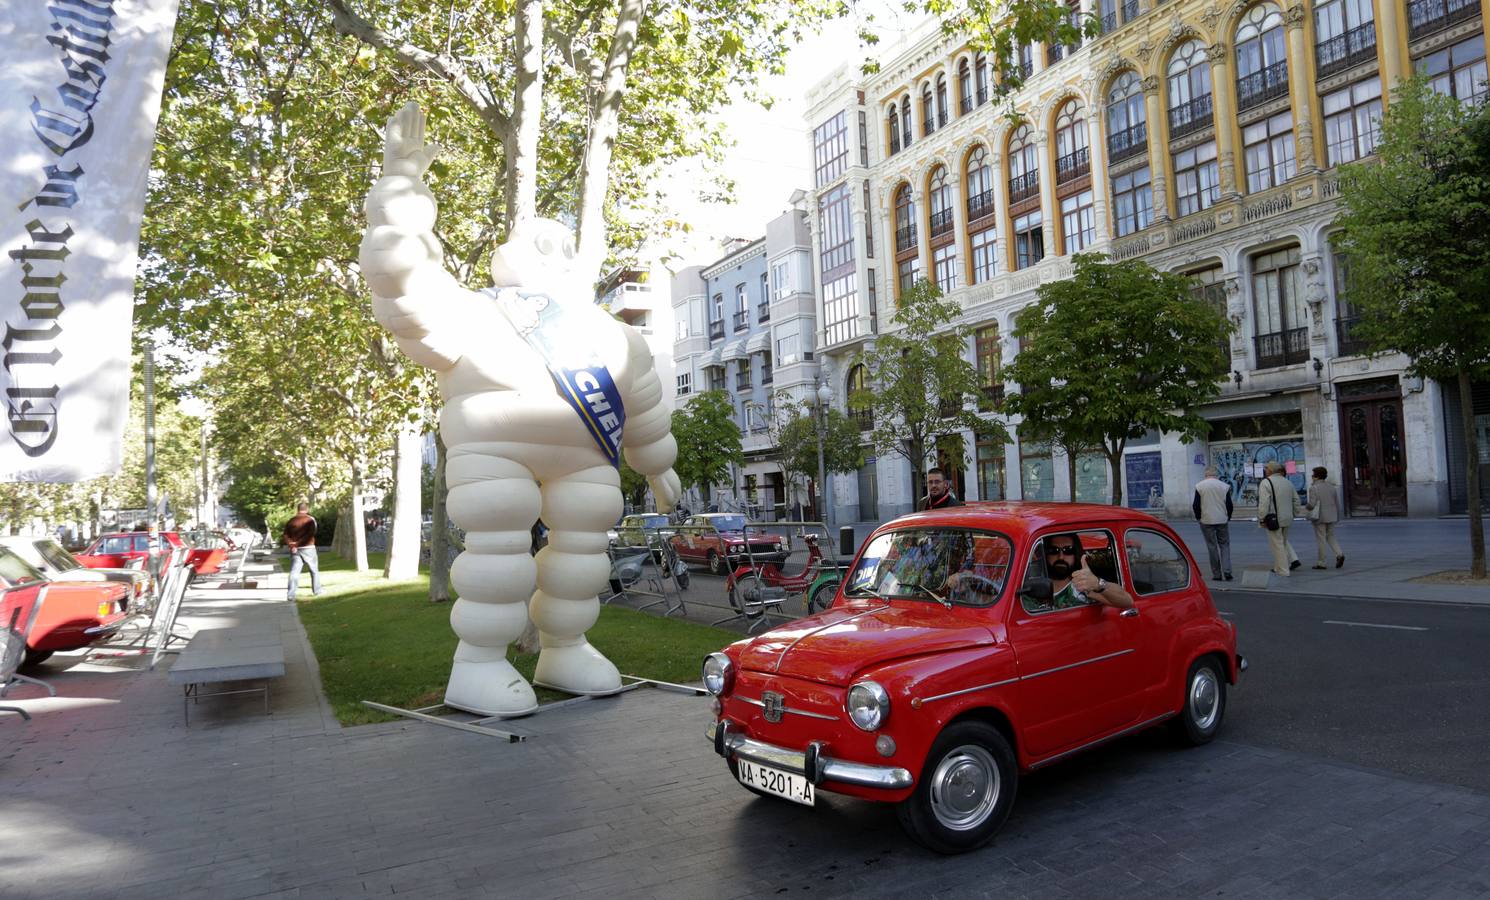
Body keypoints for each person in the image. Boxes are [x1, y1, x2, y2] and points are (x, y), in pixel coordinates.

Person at [1038, 532, 1134, 610]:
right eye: (1054, 550)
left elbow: (1127, 601)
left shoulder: (1082, 585)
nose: (1061, 557)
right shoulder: (1031, 581)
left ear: (1075, 554)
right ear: (1046, 553)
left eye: (1068, 550)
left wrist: (1097, 583)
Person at [1256, 461, 1302, 577]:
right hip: (1287, 517)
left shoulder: (1266, 482)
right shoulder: (1287, 482)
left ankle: (1283, 570)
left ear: (1271, 470)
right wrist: (1295, 513)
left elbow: (1264, 503)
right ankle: (1278, 567)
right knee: (1283, 542)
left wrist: (1261, 517)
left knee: (1277, 545)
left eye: (1266, 468)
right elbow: (1296, 500)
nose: (1265, 470)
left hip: (1273, 518)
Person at [1192, 466, 1234, 582]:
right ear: (1216, 475)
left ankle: (1217, 574)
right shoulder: (1224, 486)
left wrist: (1198, 517)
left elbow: (1196, 505)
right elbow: (1229, 505)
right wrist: (1228, 516)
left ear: (1206, 475)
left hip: (1206, 520)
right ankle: (1227, 571)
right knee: (1224, 545)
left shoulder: (1199, 486)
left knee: (1212, 546)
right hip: (1222, 519)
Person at [1305, 466, 1345, 569]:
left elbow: (1312, 504)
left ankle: (1321, 562)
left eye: (1313, 474)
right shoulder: (1331, 487)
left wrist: (1307, 506)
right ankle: (1339, 554)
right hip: (1332, 515)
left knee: (1321, 539)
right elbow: (1336, 502)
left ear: (1317, 477)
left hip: (1320, 517)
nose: (1312, 476)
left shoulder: (1313, 488)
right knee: (1330, 536)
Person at [281, 503, 323, 600]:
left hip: (295, 550)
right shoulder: (310, 520)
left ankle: (291, 594)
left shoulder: (291, 521)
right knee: (314, 570)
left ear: (297, 509)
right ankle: (317, 590)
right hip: (308, 548)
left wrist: (292, 545)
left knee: (294, 572)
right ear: (307, 509)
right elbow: (311, 534)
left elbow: (285, 535)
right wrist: (298, 544)